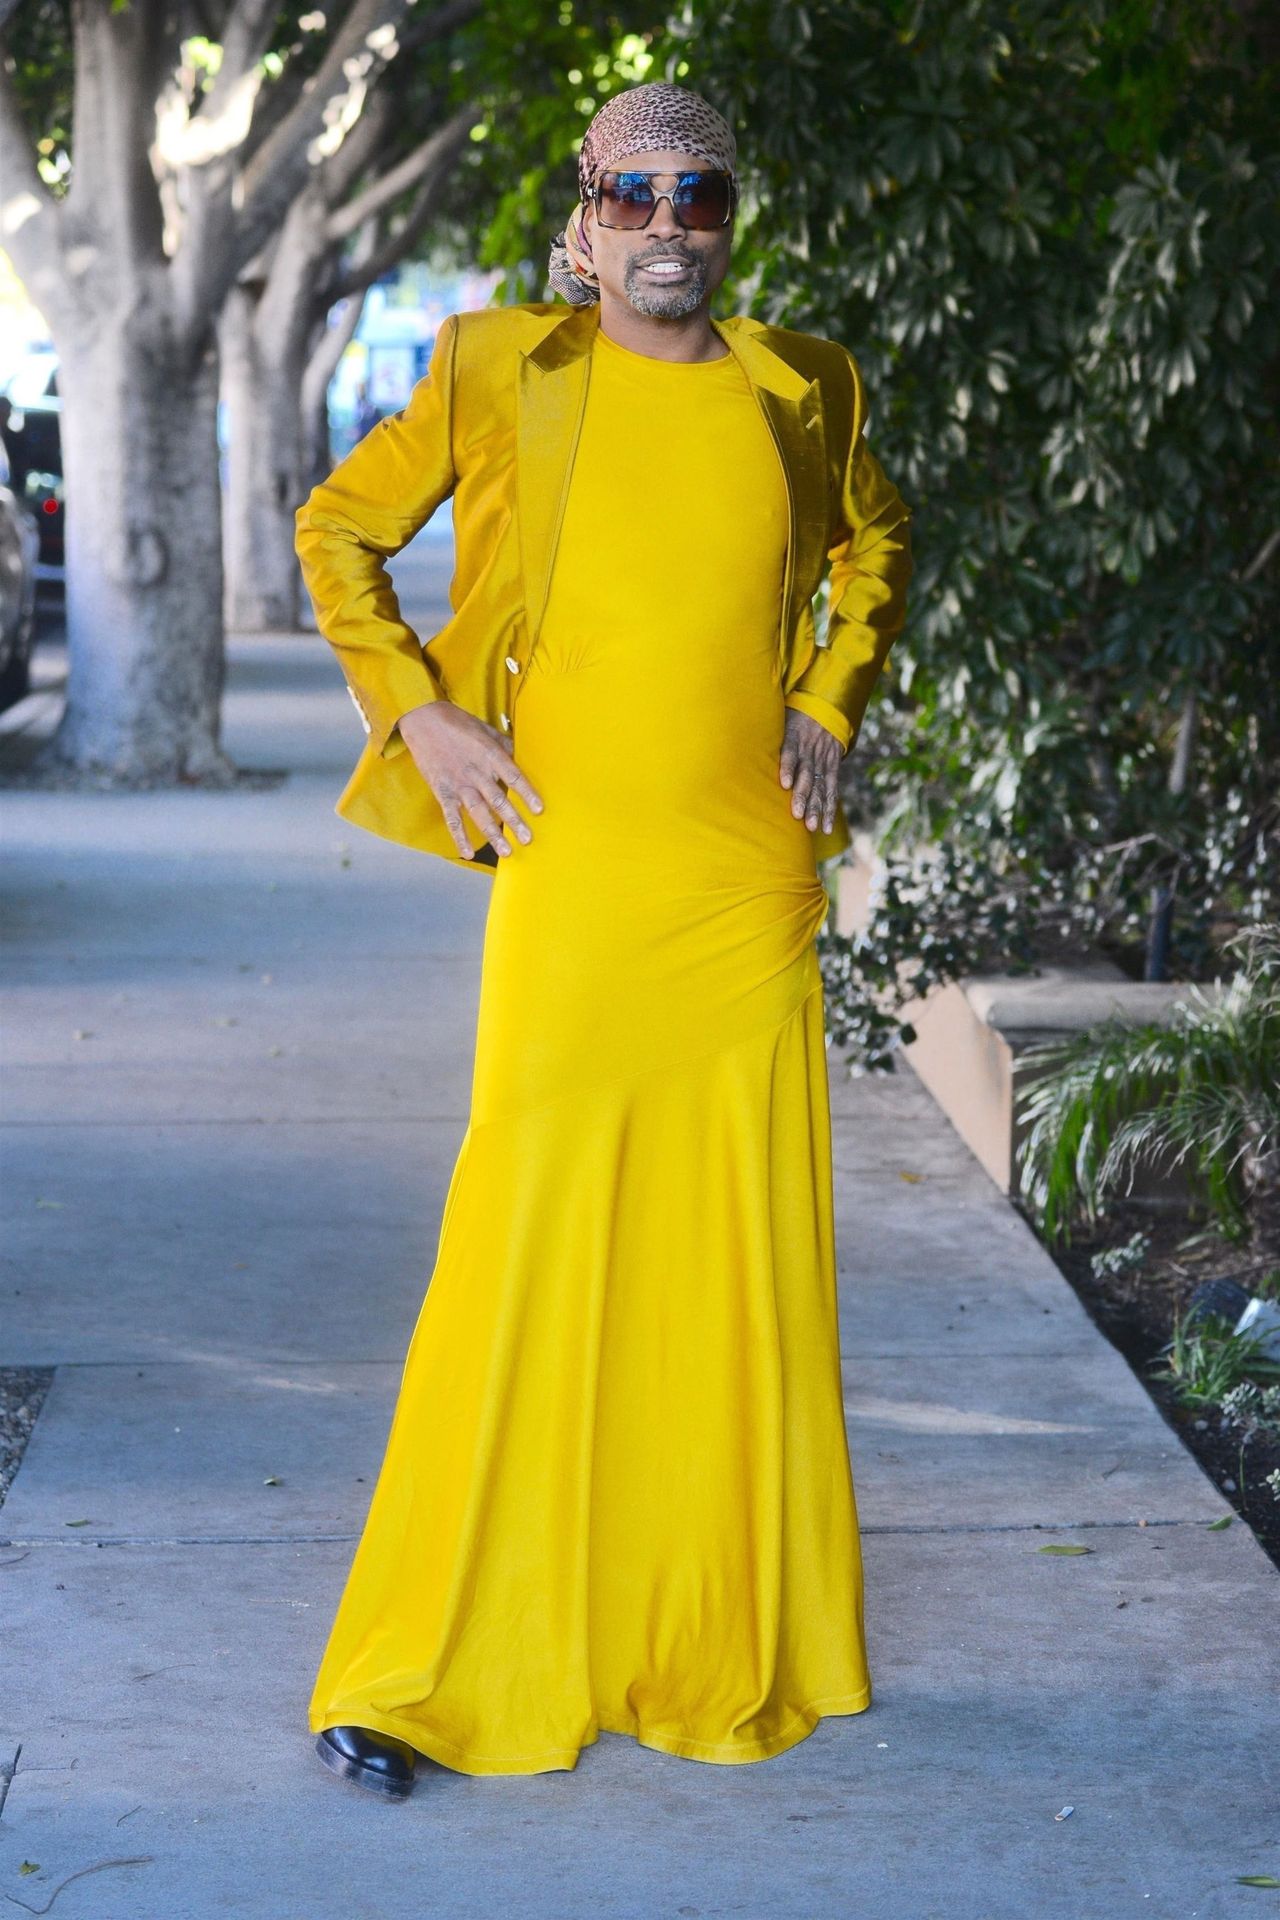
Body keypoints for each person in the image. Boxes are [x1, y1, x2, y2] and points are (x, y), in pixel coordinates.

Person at [297, 80, 913, 1800]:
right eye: (632, 194)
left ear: (733, 214)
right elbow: (339, 529)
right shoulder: (504, 370)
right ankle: (428, 1666)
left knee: (727, 1262)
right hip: (573, 882)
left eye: (695, 195)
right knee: (524, 1240)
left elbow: (876, 546)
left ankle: (704, 1638)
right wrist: (416, 713)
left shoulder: (809, 385)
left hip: (744, 890)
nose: (666, 225)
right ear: (587, 209)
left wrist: (831, 697)